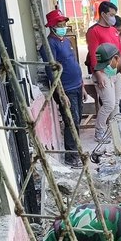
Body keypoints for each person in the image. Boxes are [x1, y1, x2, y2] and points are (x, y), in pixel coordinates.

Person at [39, 9, 87, 168]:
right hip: (66, 89)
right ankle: (71, 155)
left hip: (77, 86)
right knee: (71, 121)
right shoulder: (49, 45)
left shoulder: (65, 41)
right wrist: (61, 93)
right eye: (60, 24)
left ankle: (76, 150)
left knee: (77, 119)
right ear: (52, 26)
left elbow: (73, 63)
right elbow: (52, 72)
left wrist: (83, 86)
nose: (63, 26)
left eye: (64, 24)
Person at [85, 1, 121, 142]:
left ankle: (115, 131)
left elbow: (120, 51)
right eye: (111, 14)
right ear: (103, 14)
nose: (114, 18)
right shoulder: (93, 31)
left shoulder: (114, 30)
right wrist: (98, 74)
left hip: (116, 72)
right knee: (108, 103)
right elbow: (93, 54)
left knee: (115, 104)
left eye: (115, 15)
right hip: (103, 72)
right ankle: (99, 131)